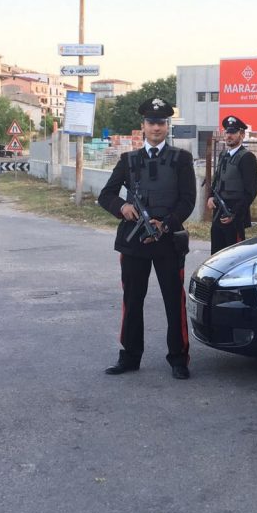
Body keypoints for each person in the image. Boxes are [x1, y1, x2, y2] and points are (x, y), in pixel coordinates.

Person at [97, 97, 196, 379]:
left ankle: (178, 358)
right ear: (143, 126)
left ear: (168, 126)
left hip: (167, 241)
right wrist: (123, 207)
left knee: (173, 301)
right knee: (133, 300)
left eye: (161, 122)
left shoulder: (181, 159)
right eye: (151, 122)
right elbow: (107, 195)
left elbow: (188, 200)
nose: (156, 127)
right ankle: (129, 356)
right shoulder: (129, 160)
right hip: (134, 241)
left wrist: (165, 224)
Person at [206, 115, 257, 253]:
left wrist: (234, 213)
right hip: (218, 213)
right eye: (227, 132)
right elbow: (217, 180)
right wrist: (210, 197)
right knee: (216, 255)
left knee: (234, 257)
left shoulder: (247, 157)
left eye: (233, 132)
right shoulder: (224, 155)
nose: (229, 136)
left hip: (235, 217)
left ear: (241, 134)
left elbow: (251, 191)